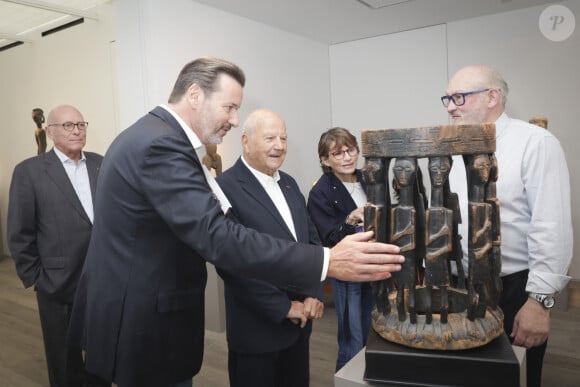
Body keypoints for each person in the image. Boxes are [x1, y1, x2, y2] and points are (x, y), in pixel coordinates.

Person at [66, 57, 404, 387]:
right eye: (229, 107)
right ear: (195, 94)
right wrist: (328, 260)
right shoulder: (162, 144)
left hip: (141, 316)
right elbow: (217, 235)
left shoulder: (156, 136)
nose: (234, 119)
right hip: (143, 323)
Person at [443, 65, 573, 387]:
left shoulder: (536, 143)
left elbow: (551, 226)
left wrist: (540, 303)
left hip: (514, 290)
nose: (449, 106)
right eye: (446, 98)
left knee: (514, 376)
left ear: (492, 97)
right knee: (468, 376)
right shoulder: (453, 149)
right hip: (460, 287)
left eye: (459, 97)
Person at [216, 109, 324, 387]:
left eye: (284, 138)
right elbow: (231, 262)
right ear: (246, 141)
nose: (279, 145)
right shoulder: (224, 187)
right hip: (257, 332)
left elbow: (310, 240)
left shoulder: (288, 182)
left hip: (300, 327)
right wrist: (283, 306)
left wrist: (313, 293)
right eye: (270, 138)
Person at [8, 105, 109, 387]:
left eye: (81, 124)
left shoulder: (101, 163)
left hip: (102, 280)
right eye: (68, 125)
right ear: (50, 132)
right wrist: (38, 278)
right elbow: (19, 232)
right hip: (57, 283)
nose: (77, 130)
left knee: (102, 356)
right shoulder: (29, 172)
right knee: (64, 362)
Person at [307, 127, 375, 371]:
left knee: (373, 327)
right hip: (347, 270)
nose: (347, 157)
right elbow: (327, 237)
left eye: (351, 150)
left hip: (374, 264)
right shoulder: (320, 192)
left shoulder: (368, 178)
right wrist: (350, 220)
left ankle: (370, 373)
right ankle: (347, 375)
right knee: (352, 335)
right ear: (325, 160)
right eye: (337, 153)